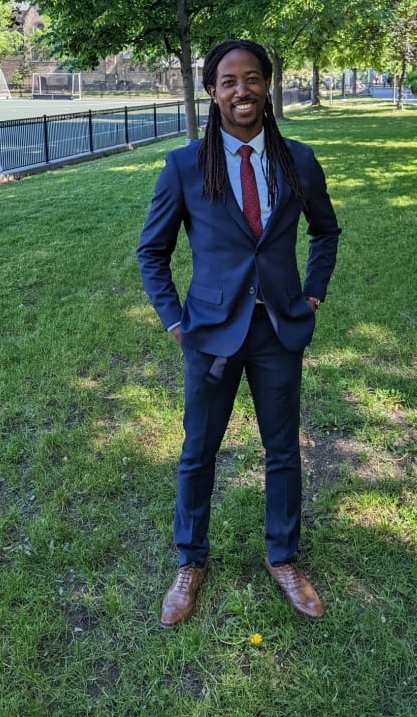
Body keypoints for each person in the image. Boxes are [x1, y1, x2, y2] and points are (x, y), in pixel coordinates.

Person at [136, 40, 341, 627]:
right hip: (209, 334)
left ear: (268, 86)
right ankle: (189, 561)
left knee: (283, 450)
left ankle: (283, 559)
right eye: (228, 82)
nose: (241, 91)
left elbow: (326, 233)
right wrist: (175, 321)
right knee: (198, 452)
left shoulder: (297, 160)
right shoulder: (183, 167)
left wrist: (314, 291)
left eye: (251, 79)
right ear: (211, 92)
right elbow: (152, 251)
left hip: (278, 328)